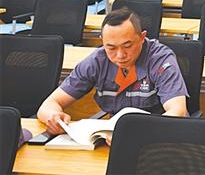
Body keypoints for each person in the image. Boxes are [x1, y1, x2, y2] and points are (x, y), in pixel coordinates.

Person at [37, 8, 189, 144]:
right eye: (111, 48)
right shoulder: (96, 61)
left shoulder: (160, 59)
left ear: (142, 37)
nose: (120, 55)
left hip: (161, 140)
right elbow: (49, 104)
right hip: (114, 139)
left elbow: (178, 112)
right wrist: (53, 117)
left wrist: (137, 133)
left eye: (127, 46)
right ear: (102, 42)